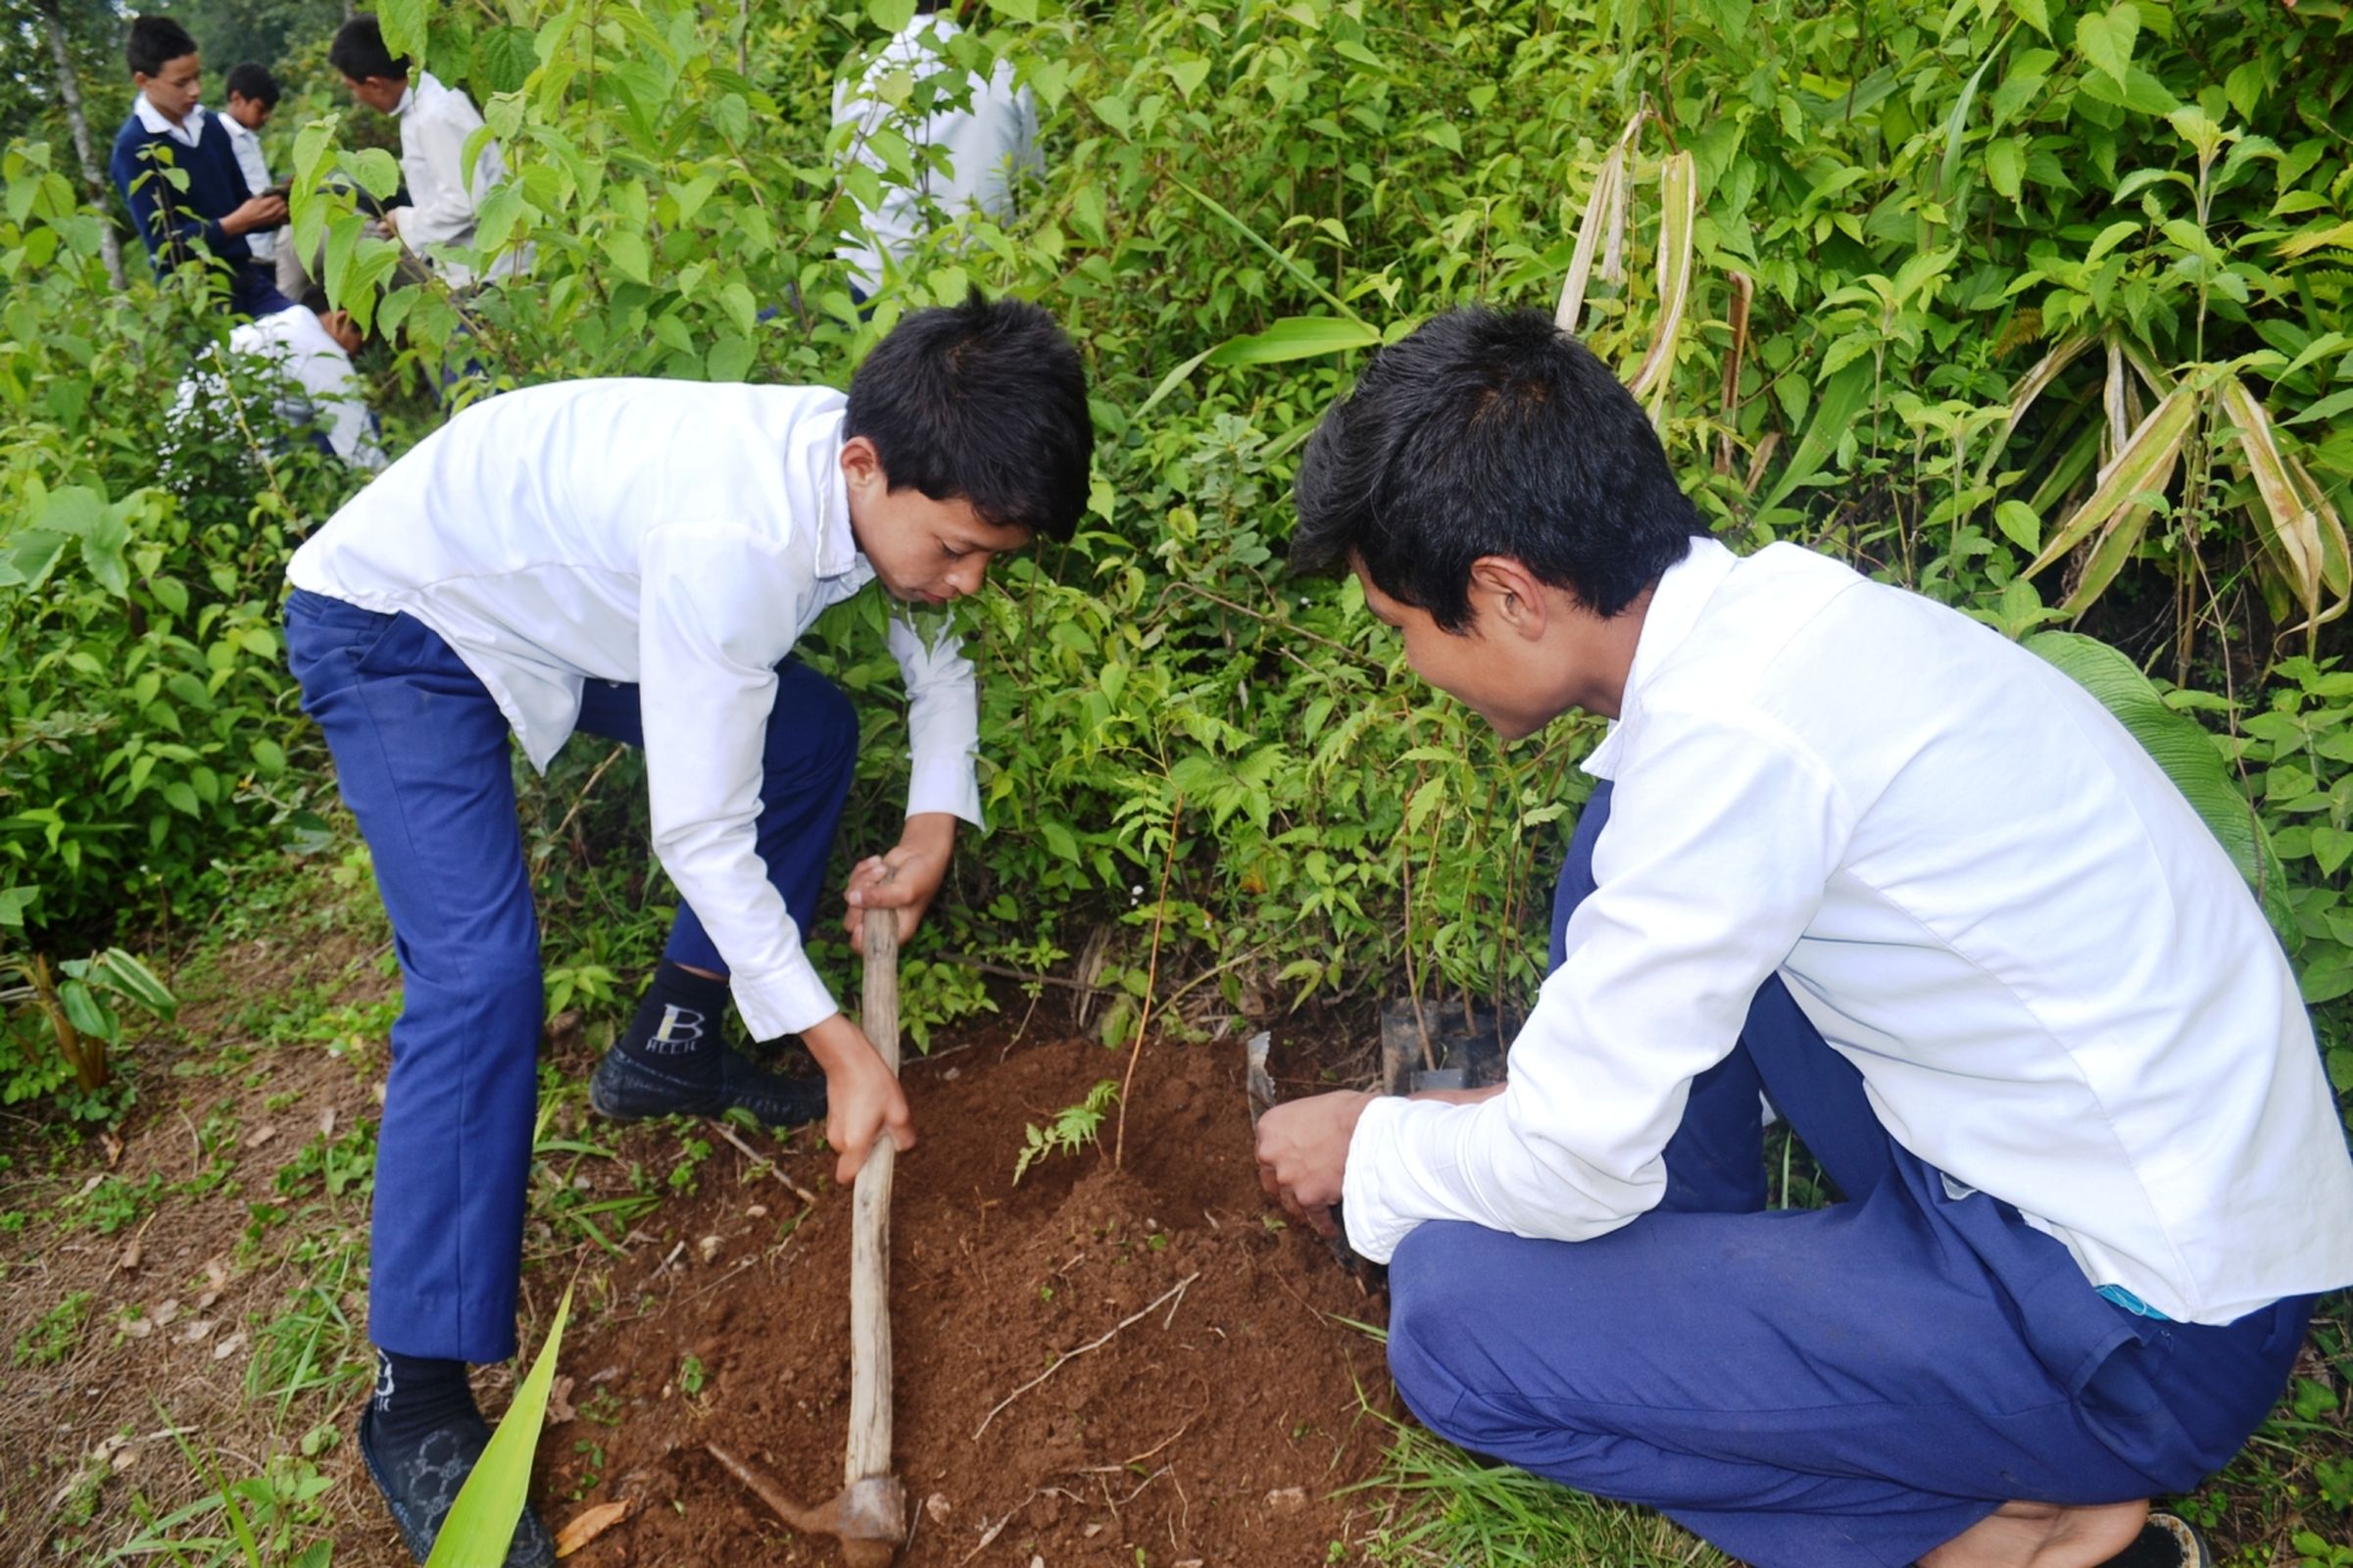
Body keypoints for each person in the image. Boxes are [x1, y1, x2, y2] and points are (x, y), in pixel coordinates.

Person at [1252, 307, 2353, 1568]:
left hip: (2141, 1328)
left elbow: (1566, 1155)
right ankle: (1706, 1284)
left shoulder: (1734, 742)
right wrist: (1524, 1126)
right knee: (1615, 845)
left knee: (1456, 1318)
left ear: (1505, 593)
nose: (1408, 665)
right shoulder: (1768, 632)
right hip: (2132, 1200)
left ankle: (2020, 1533)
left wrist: (1376, 1145)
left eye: (1402, 627)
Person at [281, 292, 1091, 1564]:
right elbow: (699, 831)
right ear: (867, 468)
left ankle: (671, 1041)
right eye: (957, 549)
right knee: (482, 977)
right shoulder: (740, 543)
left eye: (993, 556)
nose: (965, 580)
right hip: (393, 621)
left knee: (812, 732)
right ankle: (416, 1398)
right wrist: (841, 1048)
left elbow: (928, 639)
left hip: (546, 596)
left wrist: (935, 816)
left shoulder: (875, 474)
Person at [833, 0, 1040, 302]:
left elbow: (846, 183)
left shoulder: (861, 74)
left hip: (874, 285)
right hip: (979, 291)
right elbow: (1030, 182)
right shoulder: (1004, 73)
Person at [109, 17, 292, 319]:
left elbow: (240, 202)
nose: (195, 91)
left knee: (307, 335)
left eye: (197, 77)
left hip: (245, 278)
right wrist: (235, 223)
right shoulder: (134, 147)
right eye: (181, 83)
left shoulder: (210, 126)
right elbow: (165, 246)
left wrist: (276, 208)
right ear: (144, 82)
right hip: (195, 297)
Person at [328, 13, 521, 288]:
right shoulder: (425, 104)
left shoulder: (434, 115)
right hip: (472, 268)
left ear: (374, 84)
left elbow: (465, 202)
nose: (356, 98)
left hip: (487, 276)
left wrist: (403, 221)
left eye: (352, 88)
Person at [171, 283, 384, 473]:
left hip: (182, 455)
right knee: (366, 426)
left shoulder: (284, 323)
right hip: (232, 465)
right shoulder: (321, 350)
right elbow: (362, 454)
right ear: (342, 320)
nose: (355, 357)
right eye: (361, 344)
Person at [219, 63, 281, 270]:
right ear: (237, 98)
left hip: (266, 241)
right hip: (246, 244)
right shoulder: (220, 135)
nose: (265, 117)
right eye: (260, 109)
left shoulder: (248, 137)